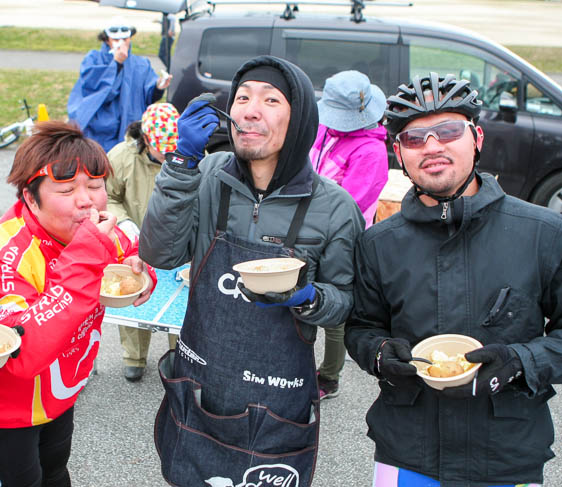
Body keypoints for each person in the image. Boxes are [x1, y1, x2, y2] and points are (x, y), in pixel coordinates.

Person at [139, 55, 364, 486]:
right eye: (242, 97)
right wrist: (182, 161)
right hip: (198, 384)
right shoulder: (204, 175)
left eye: (271, 99)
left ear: (299, 120)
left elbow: (345, 303)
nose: (250, 109)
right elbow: (160, 253)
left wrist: (309, 298)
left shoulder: (335, 208)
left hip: (277, 401)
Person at [344, 72, 562, 486]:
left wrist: (520, 361)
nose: (432, 146)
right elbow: (361, 328)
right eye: (414, 138)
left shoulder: (544, 232)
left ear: (477, 138)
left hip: (507, 455)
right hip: (408, 454)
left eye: (448, 130)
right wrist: (379, 353)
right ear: (398, 153)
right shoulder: (377, 243)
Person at [0, 121, 157, 487]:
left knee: (56, 473)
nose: (86, 200)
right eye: (67, 189)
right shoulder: (3, 253)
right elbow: (19, 353)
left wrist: (141, 267)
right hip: (5, 408)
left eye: (95, 186)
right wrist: (88, 254)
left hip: (61, 390)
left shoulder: (94, 229)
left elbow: (129, 247)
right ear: (29, 197)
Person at [308, 70, 389, 401]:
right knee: (300, 299)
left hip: (343, 239)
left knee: (334, 307)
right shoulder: (325, 129)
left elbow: (351, 206)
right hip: (308, 227)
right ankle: (294, 365)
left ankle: (329, 376)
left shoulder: (371, 153)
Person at [106, 102, 180, 382]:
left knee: (179, 299)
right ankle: (134, 357)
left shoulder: (192, 155)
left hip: (175, 242)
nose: (170, 154)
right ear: (147, 140)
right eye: (164, 148)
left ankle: (180, 355)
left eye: (175, 146)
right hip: (132, 240)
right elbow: (108, 195)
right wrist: (123, 223)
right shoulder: (121, 157)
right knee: (132, 293)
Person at [66, 17, 172, 153]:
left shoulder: (141, 64)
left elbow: (147, 97)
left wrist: (158, 86)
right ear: (106, 39)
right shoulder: (93, 60)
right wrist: (116, 64)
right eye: (116, 40)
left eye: (125, 39)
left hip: (129, 127)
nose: (121, 43)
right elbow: (95, 91)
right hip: (101, 130)